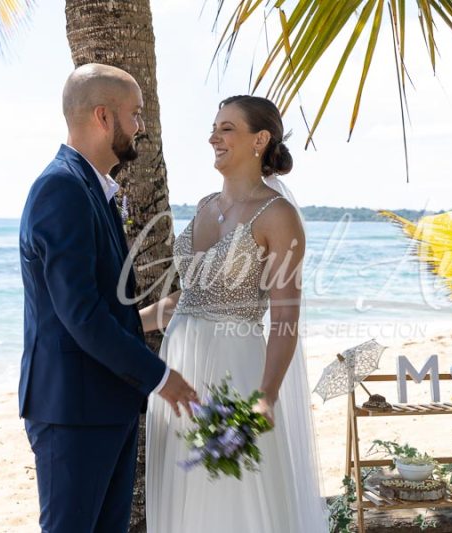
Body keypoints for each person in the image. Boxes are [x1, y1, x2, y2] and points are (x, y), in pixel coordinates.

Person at [18, 63, 197, 533]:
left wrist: (150, 317)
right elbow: (81, 316)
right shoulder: (62, 189)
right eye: (134, 115)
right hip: (72, 410)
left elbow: (86, 305)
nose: (140, 126)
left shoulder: (90, 187)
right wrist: (161, 377)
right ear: (103, 116)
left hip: (103, 404)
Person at [142, 95, 328, 532]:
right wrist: (121, 323)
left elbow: (285, 319)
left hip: (235, 370)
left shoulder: (278, 216)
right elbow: (189, 298)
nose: (213, 137)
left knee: (233, 498)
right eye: (214, 127)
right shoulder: (206, 205)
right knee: (183, 495)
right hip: (177, 370)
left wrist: (266, 395)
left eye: (226, 128)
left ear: (259, 139)